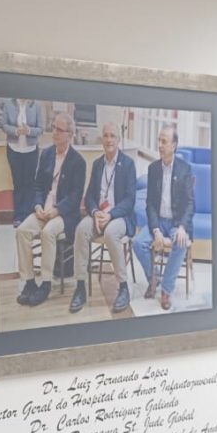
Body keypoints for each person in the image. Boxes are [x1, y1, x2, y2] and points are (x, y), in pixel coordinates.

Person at [15, 113, 85, 306]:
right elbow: (37, 186)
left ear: (69, 134)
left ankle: (45, 284)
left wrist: (56, 210)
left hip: (64, 215)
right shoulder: (46, 154)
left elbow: (75, 197)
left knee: (47, 233)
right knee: (22, 231)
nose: (54, 132)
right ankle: (29, 282)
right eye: (53, 127)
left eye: (59, 130)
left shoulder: (78, 161)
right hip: (43, 210)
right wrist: (38, 206)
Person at [70, 123, 136, 313]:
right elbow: (90, 195)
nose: (108, 139)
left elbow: (130, 199)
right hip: (98, 214)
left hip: (120, 216)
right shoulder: (98, 164)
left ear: (118, 139)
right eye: (105, 136)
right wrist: (94, 212)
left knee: (111, 233)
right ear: (102, 139)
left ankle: (123, 287)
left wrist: (110, 214)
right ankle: (80, 287)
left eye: (112, 136)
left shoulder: (128, 164)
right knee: (81, 230)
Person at [133, 124, 194, 310]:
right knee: (138, 243)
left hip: (176, 222)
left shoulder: (184, 169)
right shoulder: (153, 169)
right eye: (159, 140)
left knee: (181, 242)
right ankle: (154, 279)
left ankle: (166, 289)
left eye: (164, 141)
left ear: (173, 145)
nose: (159, 145)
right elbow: (150, 204)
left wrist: (182, 227)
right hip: (159, 221)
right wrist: (156, 230)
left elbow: (190, 203)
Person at [2, 98, 44, 226]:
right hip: (13, 149)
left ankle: (27, 217)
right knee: (18, 183)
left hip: (31, 150)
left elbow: (41, 129)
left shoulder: (36, 105)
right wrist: (16, 131)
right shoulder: (8, 103)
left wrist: (29, 131)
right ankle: (18, 216)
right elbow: (4, 125)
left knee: (29, 184)